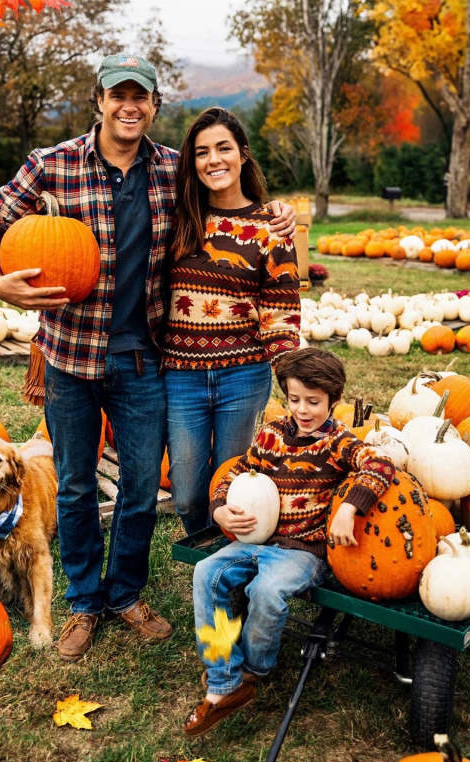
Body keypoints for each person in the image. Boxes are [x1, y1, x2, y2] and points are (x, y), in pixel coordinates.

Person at [0, 54, 297, 662]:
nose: (129, 106)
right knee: (73, 487)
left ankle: (126, 594)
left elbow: (231, 195)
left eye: (140, 97)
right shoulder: (54, 163)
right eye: (118, 95)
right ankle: (83, 601)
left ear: (153, 105)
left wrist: (276, 212)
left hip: (145, 360)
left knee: (142, 489)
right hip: (70, 355)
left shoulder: (174, 168)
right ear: (99, 99)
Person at [183, 347, 396, 736]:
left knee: (268, 590)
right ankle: (223, 677)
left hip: (304, 551)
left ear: (334, 401)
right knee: (206, 573)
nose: (302, 410)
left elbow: (381, 464)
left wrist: (350, 507)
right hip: (257, 539)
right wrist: (218, 509)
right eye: (294, 399)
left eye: (313, 402)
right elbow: (238, 471)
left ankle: (254, 670)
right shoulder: (272, 434)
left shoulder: (338, 442)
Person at [163, 107, 301, 536]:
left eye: (224, 148)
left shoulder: (271, 228)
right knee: (185, 490)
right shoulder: (178, 217)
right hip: (182, 374)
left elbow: (281, 310)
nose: (214, 160)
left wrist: (290, 374)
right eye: (202, 152)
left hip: (243, 374)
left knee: (236, 482)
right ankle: (203, 539)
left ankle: (225, 567)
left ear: (243, 154)